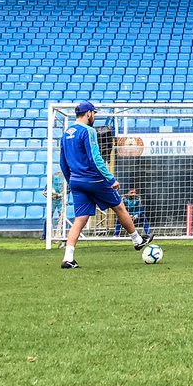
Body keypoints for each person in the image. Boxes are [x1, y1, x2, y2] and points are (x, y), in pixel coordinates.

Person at [59, 101, 151, 269]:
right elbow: (95, 158)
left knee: (80, 219)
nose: (94, 116)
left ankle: (68, 258)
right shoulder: (88, 131)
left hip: (76, 181)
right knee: (119, 206)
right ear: (88, 114)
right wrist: (110, 179)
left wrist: (71, 182)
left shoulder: (65, 134)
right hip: (93, 179)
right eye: (94, 113)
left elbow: (63, 162)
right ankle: (138, 240)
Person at [42, 170, 65, 238]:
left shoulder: (66, 177)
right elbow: (46, 190)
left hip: (61, 199)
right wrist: (49, 193)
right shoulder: (53, 176)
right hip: (52, 199)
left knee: (62, 217)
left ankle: (60, 233)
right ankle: (45, 234)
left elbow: (68, 190)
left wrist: (61, 194)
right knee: (49, 216)